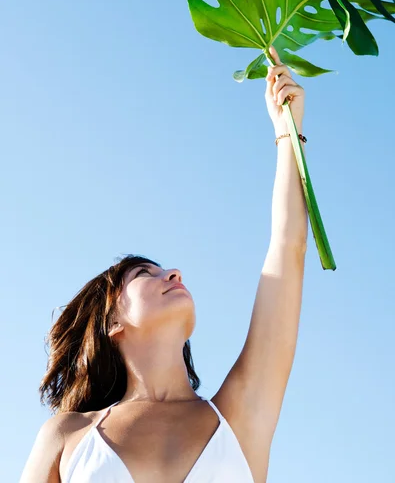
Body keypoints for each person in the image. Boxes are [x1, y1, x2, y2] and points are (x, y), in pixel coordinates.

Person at [20, 46, 308, 483]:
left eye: (163, 270)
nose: (172, 273)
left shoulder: (240, 414)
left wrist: (288, 133)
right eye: (144, 274)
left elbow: (288, 250)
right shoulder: (68, 436)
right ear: (113, 322)